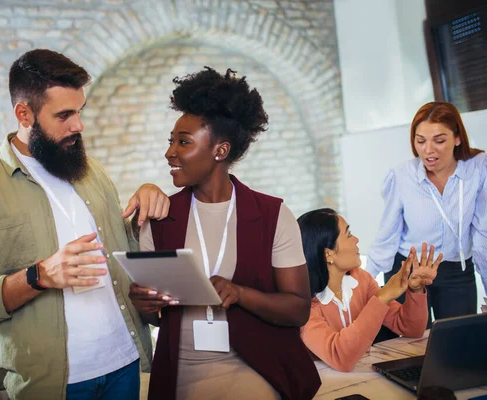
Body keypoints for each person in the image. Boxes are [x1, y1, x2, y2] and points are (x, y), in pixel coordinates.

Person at [0, 49, 170, 400]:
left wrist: (147, 199)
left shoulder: (92, 171)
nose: (78, 125)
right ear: (24, 114)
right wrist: (39, 275)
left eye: (79, 112)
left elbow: (122, 250)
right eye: (64, 115)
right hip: (49, 382)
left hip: (126, 364)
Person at [128, 67, 321, 400]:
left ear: (220, 150)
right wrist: (144, 303)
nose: (170, 152)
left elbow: (297, 309)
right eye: (171, 141)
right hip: (179, 372)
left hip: (255, 367)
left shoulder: (273, 216)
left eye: (183, 141)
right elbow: (157, 319)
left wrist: (240, 294)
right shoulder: (159, 219)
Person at [366, 101, 487, 323]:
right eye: (420, 141)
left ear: (457, 138)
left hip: (457, 272)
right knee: (409, 345)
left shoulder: (478, 169)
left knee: (458, 345)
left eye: (439, 141)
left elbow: (483, 233)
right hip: (407, 271)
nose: (428, 150)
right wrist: (363, 285)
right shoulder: (402, 176)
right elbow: (387, 236)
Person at [298, 208, 441, 372]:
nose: (357, 240)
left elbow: (411, 328)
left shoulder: (361, 280)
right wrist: (381, 298)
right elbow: (340, 357)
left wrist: (416, 290)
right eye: (349, 234)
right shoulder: (304, 306)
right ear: (328, 254)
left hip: (365, 376)